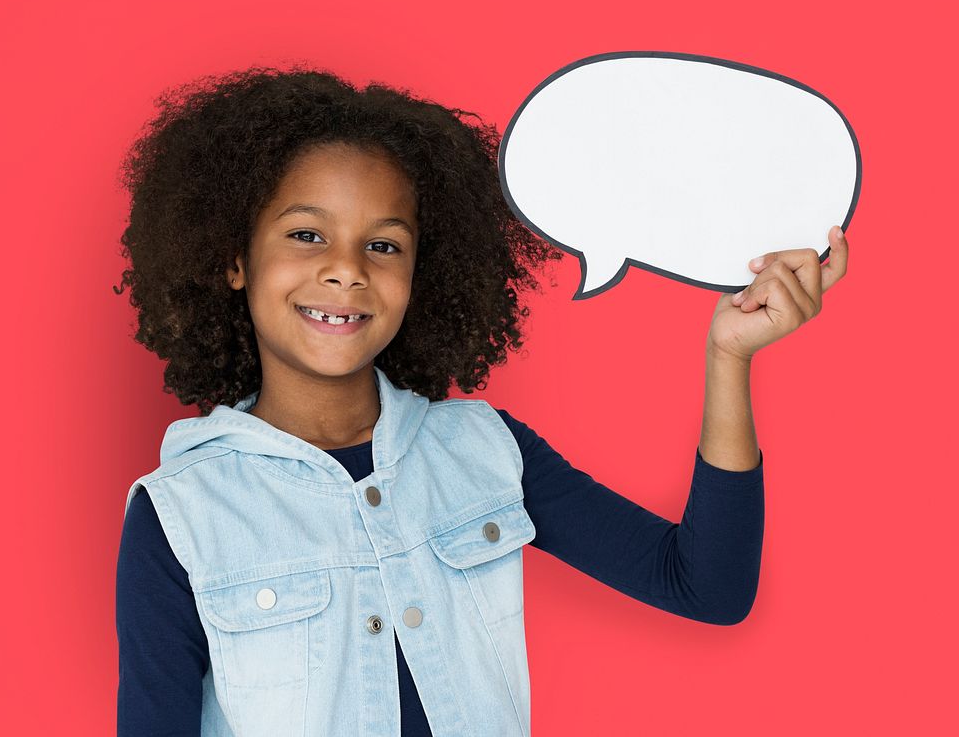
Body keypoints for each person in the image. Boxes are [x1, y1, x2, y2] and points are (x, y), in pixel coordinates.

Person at [113, 66, 848, 737]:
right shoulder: (180, 513)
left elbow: (707, 585)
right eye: (307, 234)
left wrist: (729, 356)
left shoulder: (486, 451)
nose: (345, 271)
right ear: (236, 258)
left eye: (385, 245)